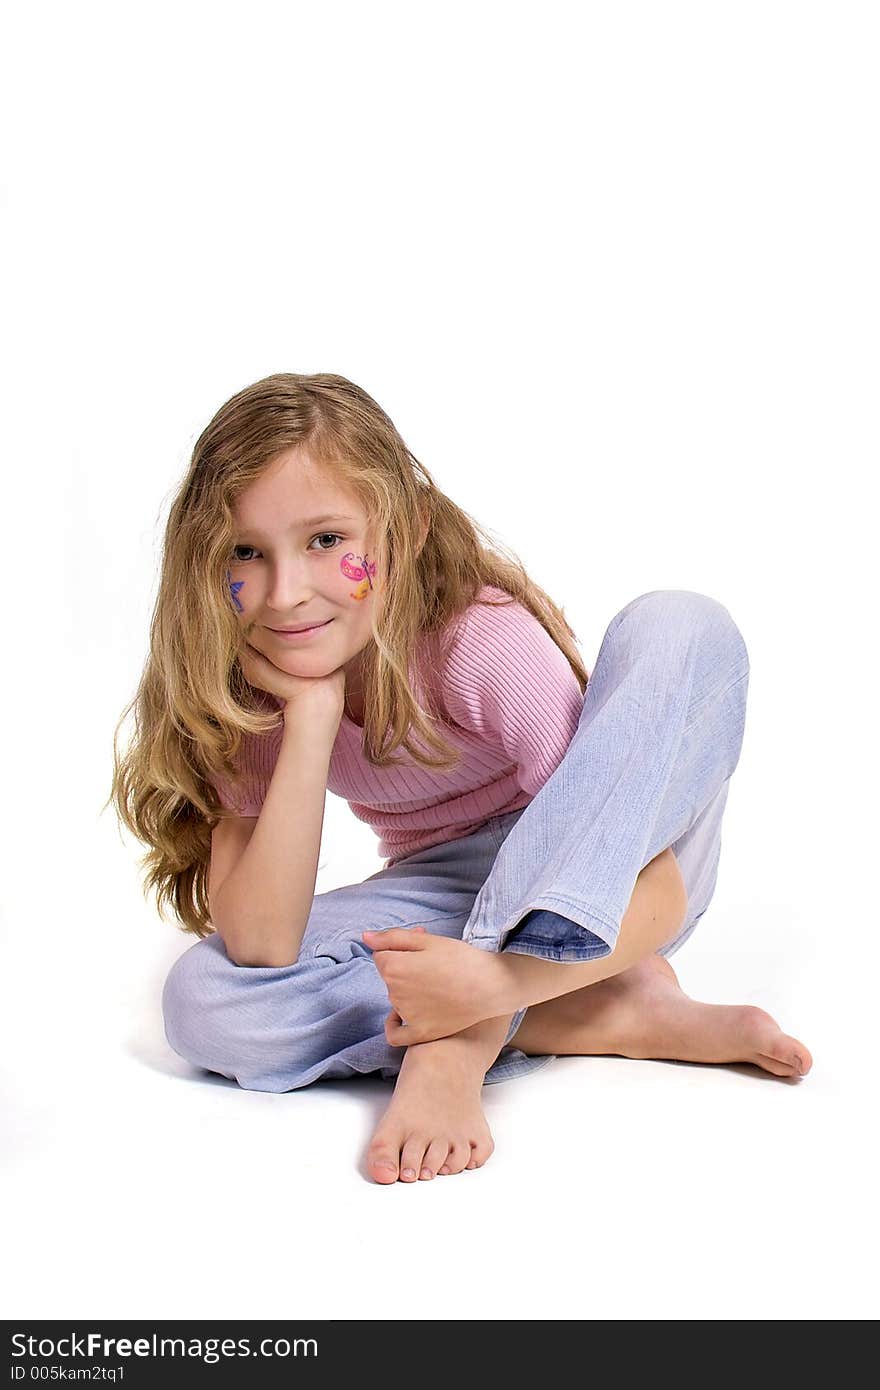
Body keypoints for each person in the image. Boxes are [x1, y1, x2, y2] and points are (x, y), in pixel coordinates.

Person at [108, 371, 812, 1187]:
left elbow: (653, 890)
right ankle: (600, 1009)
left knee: (680, 622)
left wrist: (480, 996)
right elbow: (261, 943)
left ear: (400, 530)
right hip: (445, 889)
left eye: (327, 541)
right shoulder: (271, 674)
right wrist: (309, 718)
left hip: (610, 875)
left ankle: (458, 1043)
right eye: (247, 553)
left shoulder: (478, 639)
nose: (287, 593)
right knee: (204, 999)